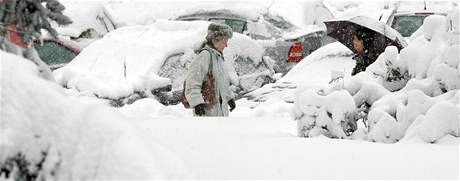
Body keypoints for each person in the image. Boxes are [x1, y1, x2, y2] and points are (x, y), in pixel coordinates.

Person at [184, 23, 236, 117]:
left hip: (220, 112)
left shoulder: (218, 57)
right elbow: (192, 81)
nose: (226, 45)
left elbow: (222, 83)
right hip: (207, 111)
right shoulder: (205, 55)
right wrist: (197, 103)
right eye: (225, 41)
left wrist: (229, 98)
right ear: (215, 40)